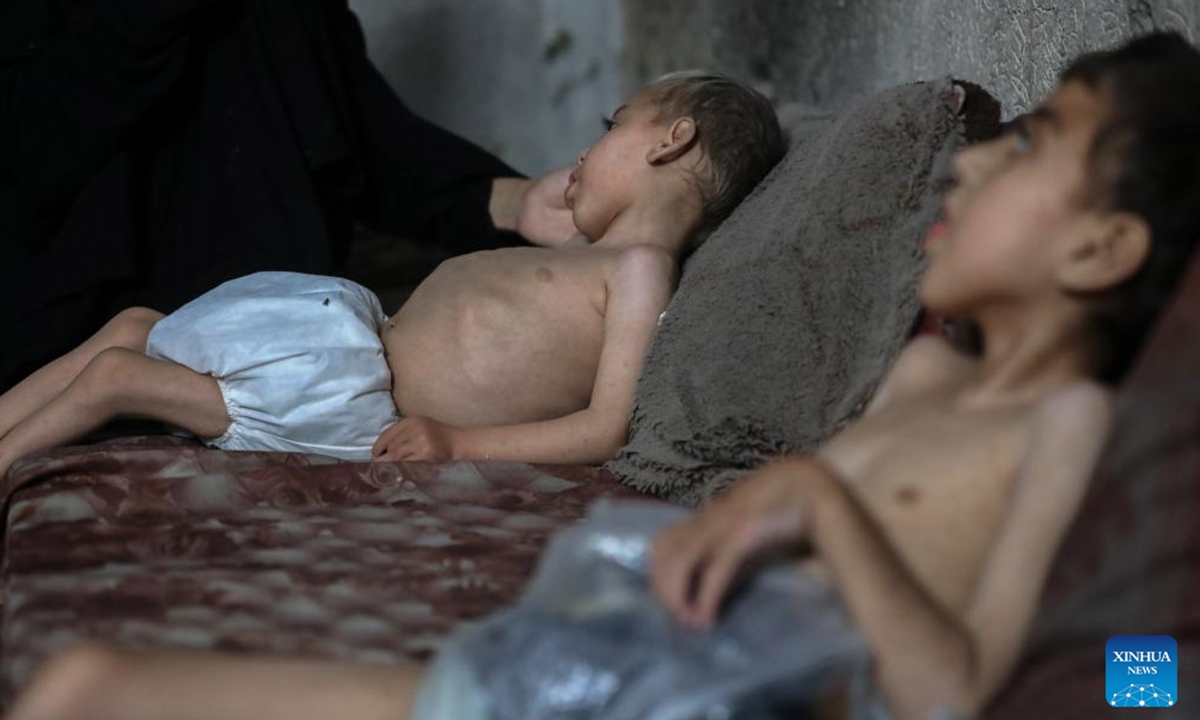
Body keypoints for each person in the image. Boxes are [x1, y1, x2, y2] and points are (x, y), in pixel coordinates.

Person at [9, 31, 1200, 720]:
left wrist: (820, 505)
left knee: (88, 689)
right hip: (608, 652)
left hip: (673, 700)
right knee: (80, 682)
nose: (979, 162)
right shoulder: (930, 383)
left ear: (1105, 246)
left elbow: (1104, 682)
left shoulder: (1078, 428)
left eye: (1037, 145)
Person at [0, 71, 786, 476]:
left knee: (114, 377)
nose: (584, 152)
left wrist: (457, 443)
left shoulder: (642, 269)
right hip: (335, 344)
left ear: (671, 141)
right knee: (137, 327)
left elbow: (605, 427)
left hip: (341, 400)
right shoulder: (588, 256)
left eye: (609, 127)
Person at [0, 0, 577, 395]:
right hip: (73, 344)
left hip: (271, 346)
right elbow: (36, 153)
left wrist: (507, 200)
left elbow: (355, 136)